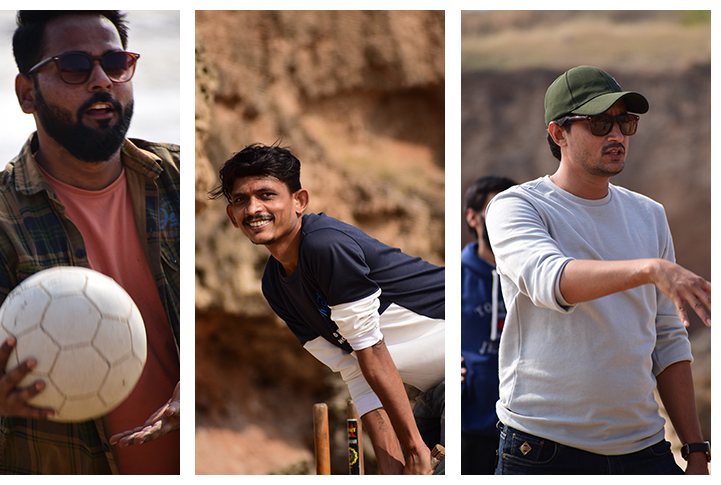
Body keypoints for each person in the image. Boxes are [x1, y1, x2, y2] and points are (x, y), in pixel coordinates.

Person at [0, 11, 180, 474]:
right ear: (28, 93)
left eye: (116, 62)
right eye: (74, 66)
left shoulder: (182, 182)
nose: (102, 80)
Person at [486, 65, 710, 475]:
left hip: (645, 449)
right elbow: (550, 279)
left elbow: (668, 338)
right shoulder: (516, 206)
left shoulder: (649, 214)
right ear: (558, 134)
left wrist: (696, 449)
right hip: (543, 451)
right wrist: (650, 269)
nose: (617, 135)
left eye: (625, 122)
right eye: (600, 122)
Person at [208, 143, 445, 474]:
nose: (253, 208)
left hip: (467, 367)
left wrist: (415, 451)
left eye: (266, 195)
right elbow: (354, 369)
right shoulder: (274, 286)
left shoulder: (325, 246)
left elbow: (371, 350)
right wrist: (392, 468)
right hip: (433, 392)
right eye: (240, 200)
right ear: (232, 216)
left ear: (299, 201)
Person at [461, 175, 516, 474]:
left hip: (529, 427)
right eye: (495, 209)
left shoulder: (535, 275)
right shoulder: (454, 277)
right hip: (469, 426)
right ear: (473, 217)